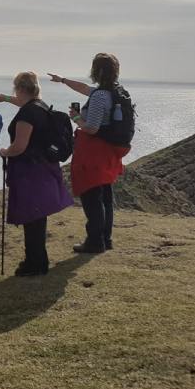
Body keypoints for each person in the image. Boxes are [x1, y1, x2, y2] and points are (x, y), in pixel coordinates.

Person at [0, 71, 73, 275]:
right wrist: (5, 98)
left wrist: (4, 151)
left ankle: (34, 263)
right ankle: (38, 260)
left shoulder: (27, 114)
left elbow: (19, 146)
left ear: (19, 88)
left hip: (30, 170)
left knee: (31, 216)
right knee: (38, 216)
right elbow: (25, 104)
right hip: (45, 167)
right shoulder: (41, 106)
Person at [49, 53, 130, 254]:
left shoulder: (100, 96)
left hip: (95, 152)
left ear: (98, 71)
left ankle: (94, 241)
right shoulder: (114, 91)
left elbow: (92, 128)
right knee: (105, 197)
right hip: (108, 152)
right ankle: (105, 238)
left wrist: (76, 118)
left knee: (92, 197)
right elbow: (85, 89)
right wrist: (63, 80)